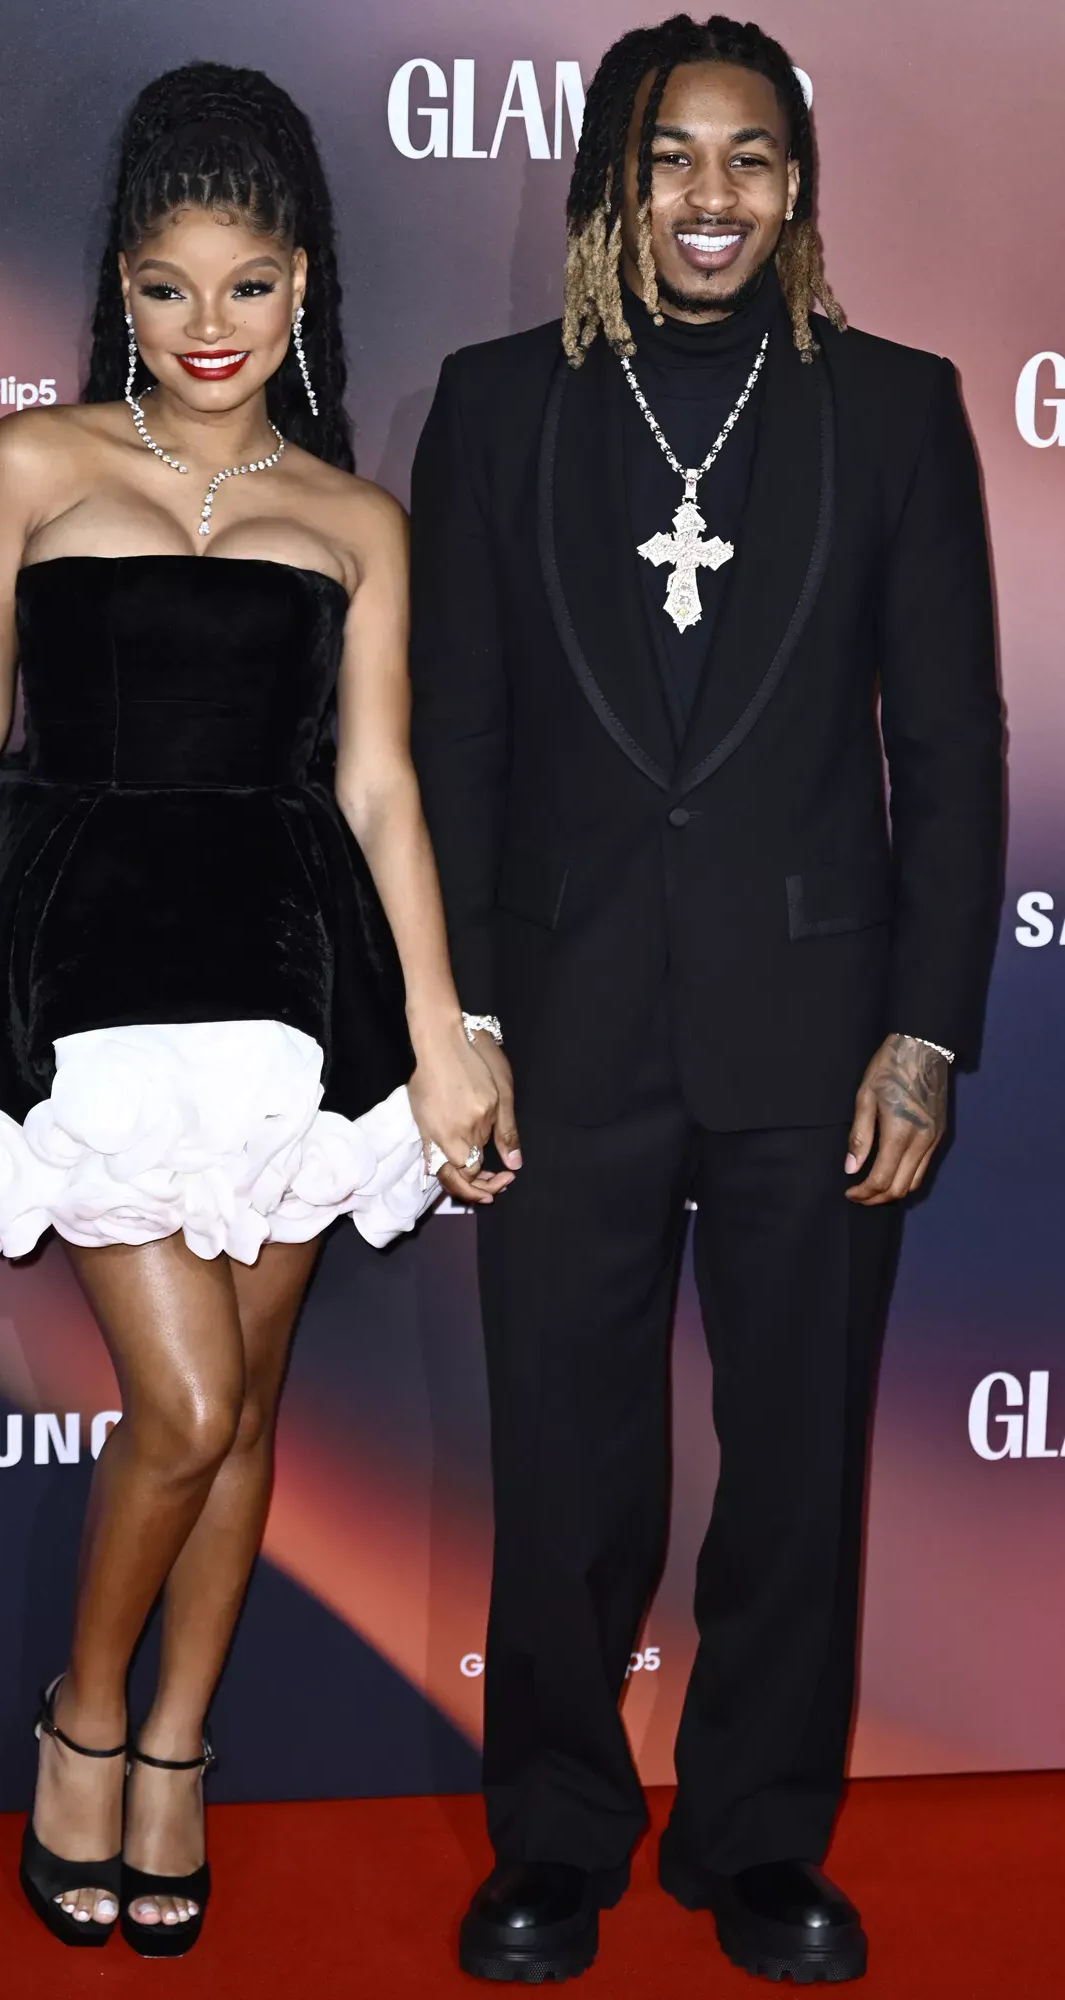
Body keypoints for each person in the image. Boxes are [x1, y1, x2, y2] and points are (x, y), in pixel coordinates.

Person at [0, 63, 513, 1958]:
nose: (212, 327)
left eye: (251, 286)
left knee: (251, 1406)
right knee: (187, 1403)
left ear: (306, 285)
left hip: (289, 979)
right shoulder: (33, 465)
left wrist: (442, 1029)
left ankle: (180, 1750)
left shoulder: (356, 517)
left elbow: (379, 785)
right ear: (119, 285)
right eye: (168, 286)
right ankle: (87, 1718)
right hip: (86, 971)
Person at [410, 14, 1002, 1986]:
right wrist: (466, 1016)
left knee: (798, 1462)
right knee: (563, 1459)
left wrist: (924, 1029)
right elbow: (455, 736)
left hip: (818, 1035)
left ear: (797, 184)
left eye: (751, 157)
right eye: (673, 156)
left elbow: (953, 745)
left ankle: (758, 1838)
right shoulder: (499, 405)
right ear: (614, 175)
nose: (712, 195)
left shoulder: (893, 407)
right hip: (563, 1023)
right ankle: (555, 1835)